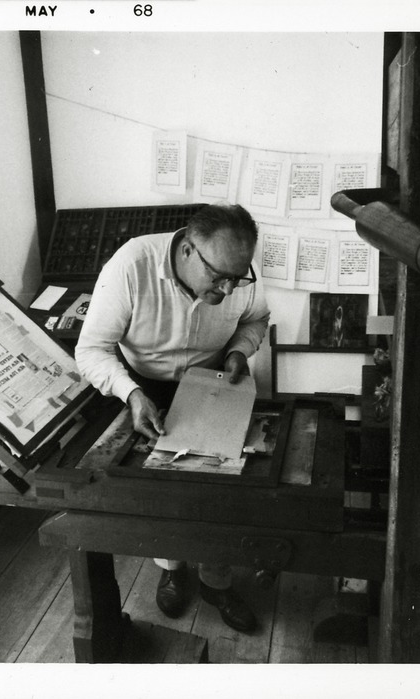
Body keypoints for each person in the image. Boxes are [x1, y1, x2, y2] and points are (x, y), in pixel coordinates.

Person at [75, 202, 270, 633]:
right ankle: (171, 567)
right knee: (163, 489)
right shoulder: (131, 266)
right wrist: (131, 393)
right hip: (147, 385)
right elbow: (90, 349)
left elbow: (257, 319)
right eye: (218, 277)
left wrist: (239, 349)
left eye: (237, 279)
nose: (226, 289)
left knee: (220, 487)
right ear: (186, 250)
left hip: (216, 377)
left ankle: (216, 581)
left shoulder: (237, 273)